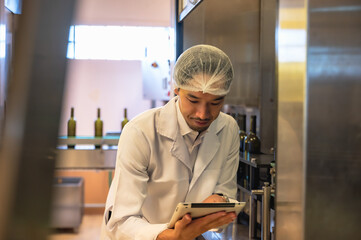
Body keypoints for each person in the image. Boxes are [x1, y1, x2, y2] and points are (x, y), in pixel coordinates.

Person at [101, 44, 240, 240]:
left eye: (215, 102)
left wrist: (219, 201)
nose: (203, 114)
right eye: (193, 100)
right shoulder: (140, 132)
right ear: (176, 89)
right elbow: (121, 221)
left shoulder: (228, 129)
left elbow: (226, 196)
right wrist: (171, 236)